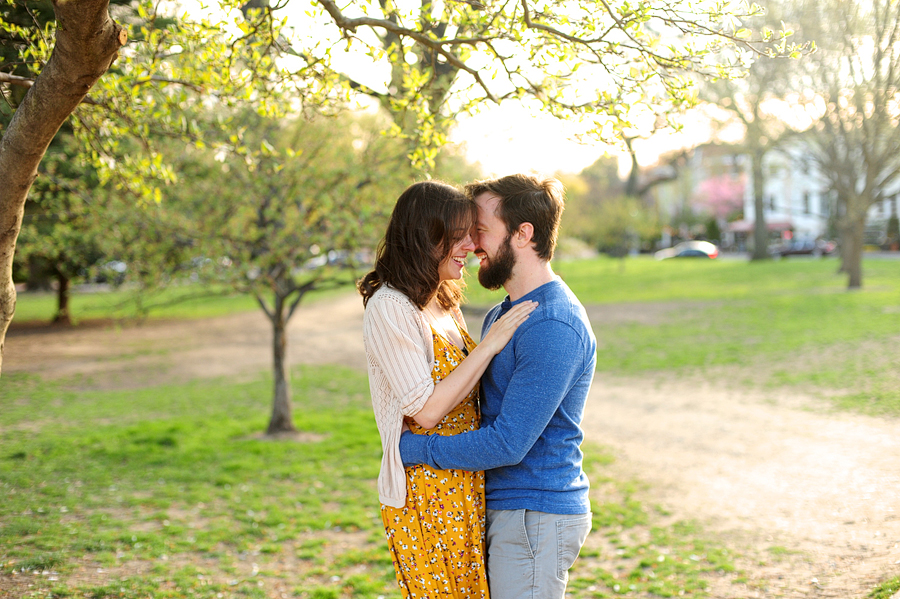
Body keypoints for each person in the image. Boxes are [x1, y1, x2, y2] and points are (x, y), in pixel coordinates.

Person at [399, 174, 597, 599]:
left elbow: (508, 442)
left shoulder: (552, 325)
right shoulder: (502, 315)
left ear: (523, 234)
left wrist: (415, 450)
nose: (470, 245)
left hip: (534, 514)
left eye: (481, 231)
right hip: (503, 509)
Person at [358, 180, 537, 599]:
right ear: (426, 237)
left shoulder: (443, 297)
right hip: (426, 489)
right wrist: (491, 344)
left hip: (464, 478)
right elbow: (424, 410)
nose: (471, 246)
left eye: (472, 233)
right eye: (457, 236)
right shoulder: (390, 306)